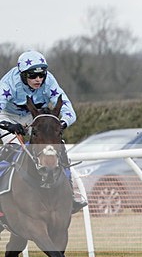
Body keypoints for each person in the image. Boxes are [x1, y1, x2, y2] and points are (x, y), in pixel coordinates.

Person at [0, 50, 87, 213]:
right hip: (7, 116)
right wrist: (7, 125)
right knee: (12, 150)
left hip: (34, 116)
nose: (38, 80)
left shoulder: (50, 82)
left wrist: (61, 124)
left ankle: (71, 194)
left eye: (41, 75)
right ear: (23, 75)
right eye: (32, 76)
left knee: (57, 148)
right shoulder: (7, 84)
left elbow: (69, 111)